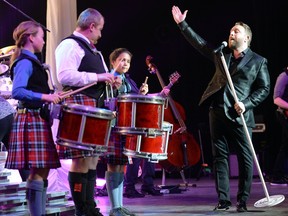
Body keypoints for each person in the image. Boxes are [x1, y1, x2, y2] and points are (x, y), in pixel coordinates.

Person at [171, 6, 270, 212]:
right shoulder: (221, 54)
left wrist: (247, 103)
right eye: (231, 30)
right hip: (217, 110)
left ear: (247, 38)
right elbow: (200, 44)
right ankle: (223, 201)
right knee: (219, 157)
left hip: (240, 114)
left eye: (237, 31)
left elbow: (264, 88)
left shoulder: (258, 61)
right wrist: (183, 25)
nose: (232, 33)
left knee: (245, 158)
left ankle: (242, 201)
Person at [55, 8, 116, 216]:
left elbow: (94, 77)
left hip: (93, 106)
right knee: (81, 158)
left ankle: (90, 207)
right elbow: (65, 76)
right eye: (100, 29)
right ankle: (82, 210)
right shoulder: (70, 45)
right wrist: (98, 77)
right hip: (80, 105)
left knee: (92, 158)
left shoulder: (92, 50)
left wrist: (108, 80)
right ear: (91, 27)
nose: (100, 34)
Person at [4, 21, 62, 216]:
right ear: (31, 38)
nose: (44, 42)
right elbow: (18, 91)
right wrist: (45, 97)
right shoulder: (24, 62)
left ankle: (40, 212)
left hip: (37, 117)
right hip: (30, 118)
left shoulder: (33, 62)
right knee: (38, 170)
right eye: (41, 37)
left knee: (43, 169)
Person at [105, 48, 169, 216]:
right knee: (114, 165)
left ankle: (118, 207)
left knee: (120, 166)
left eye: (128, 61)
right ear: (113, 62)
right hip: (115, 126)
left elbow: (133, 102)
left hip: (126, 128)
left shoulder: (128, 80)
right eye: (122, 60)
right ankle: (115, 207)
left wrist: (141, 93)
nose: (126, 63)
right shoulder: (111, 79)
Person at [270, 67, 288, 185]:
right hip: (284, 114)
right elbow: (276, 100)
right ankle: (277, 176)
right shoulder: (284, 76)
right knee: (286, 145)